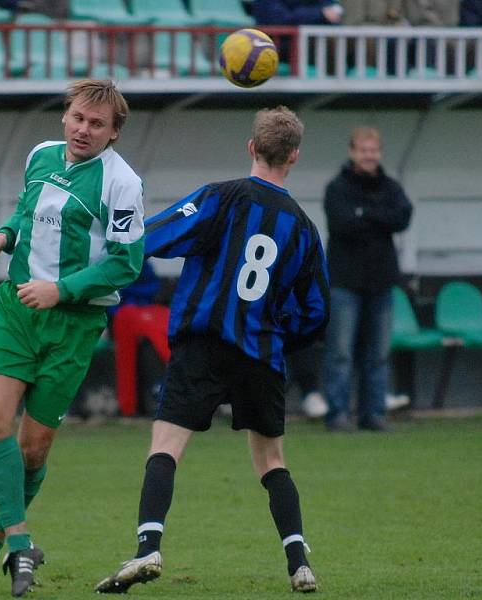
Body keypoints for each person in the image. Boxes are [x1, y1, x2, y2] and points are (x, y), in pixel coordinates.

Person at [94, 106, 331, 594]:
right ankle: (299, 563)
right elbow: (315, 312)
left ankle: (147, 550)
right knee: (272, 462)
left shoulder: (220, 198)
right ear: (293, 157)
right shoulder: (305, 230)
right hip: (261, 353)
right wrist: (278, 335)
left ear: (251, 147)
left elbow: (154, 236)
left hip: (203, 344)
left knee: (166, 446)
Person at [0, 79, 144, 597]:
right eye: (78, 118)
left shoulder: (122, 184)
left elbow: (126, 263)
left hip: (73, 325)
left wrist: (62, 290)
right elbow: (25, 215)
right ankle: (21, 544)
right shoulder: (40, 156)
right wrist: (3, 238)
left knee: (32, 450)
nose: (84, 129)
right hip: (16, 308)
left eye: (97, 124)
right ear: (65, 116)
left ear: (114, 133)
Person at [321, 126, 412, 433]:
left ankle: (373, 414)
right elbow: (343, 223)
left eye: (374, 150)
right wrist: (378, 216)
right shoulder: (337, 187)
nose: (369, 156)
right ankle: (337, 415)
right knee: (341, 353)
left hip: (381, 282)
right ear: (352, 152)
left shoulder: (390, 186)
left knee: (378, 355)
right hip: (344, 282)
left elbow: (403, 217)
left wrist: (365, 214)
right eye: (364, 150)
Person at [109, 260, 171, 417]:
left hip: (142, 312)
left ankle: (135, 404)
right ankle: (128, 406)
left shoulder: (140, 258)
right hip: (121, 315)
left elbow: (154, 286)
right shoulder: (110, 257)